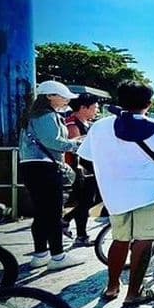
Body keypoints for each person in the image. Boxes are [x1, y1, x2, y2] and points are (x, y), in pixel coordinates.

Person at [77, 81, 154, 305]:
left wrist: (112, 174)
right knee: (144, 240)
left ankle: (112, 286)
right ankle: (134, 292)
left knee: (120, 239)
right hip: (151, 192)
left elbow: (85, 161)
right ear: (148, 103)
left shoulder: (99, 127)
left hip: (115, 195)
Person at [18, 80, 84, 271]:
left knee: (41, 213)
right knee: (54, 213)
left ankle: (40, 254)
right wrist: (76, 144)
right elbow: (53, 142)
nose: (66, 101)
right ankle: (58, 256)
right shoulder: (46, 116)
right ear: (49, 96)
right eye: (63, 97)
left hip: (31, 167)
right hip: (45, 168)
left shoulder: (33, 115)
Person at [63, 93, 100, 247]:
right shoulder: (72, 123)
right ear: (83, 107)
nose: (96, 111)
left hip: (89, 168)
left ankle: (67, 222)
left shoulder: (86, 123)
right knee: (86, 201)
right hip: (79, 169)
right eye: (95, 107)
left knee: (90, 200)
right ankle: (80, 234)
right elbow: (75, 146)